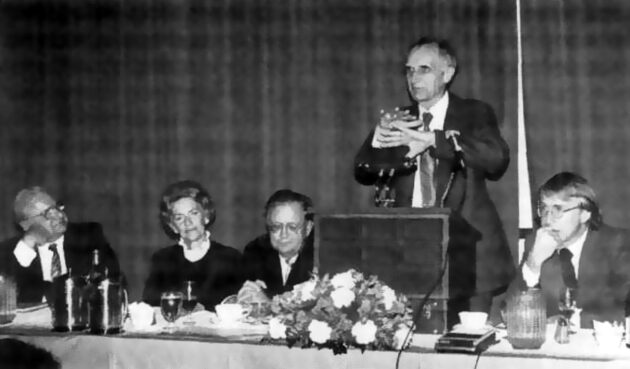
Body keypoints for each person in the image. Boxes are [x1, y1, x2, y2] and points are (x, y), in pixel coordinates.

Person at [354, 36, 514, 312]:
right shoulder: (398, 120)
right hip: (410, 254)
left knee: (465, 345)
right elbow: (363, 172)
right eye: (409, 70)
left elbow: (496, 159)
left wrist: (433, 140)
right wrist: (376, 142)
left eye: (424, 69)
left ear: (447, 73)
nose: (414, 77)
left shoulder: (474, 113)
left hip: (469, 255)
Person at [509, 172, 630, 328]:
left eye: (558, 209)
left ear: (585, 214)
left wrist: (564, 324)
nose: (548, 219)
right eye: (544, 209)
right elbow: (508, 311)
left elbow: (622, 310)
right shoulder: (536, 244)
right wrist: (533, 264)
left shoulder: (618, 244)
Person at [0, 186, 121, 304]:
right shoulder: (9, 251)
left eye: (57, 207)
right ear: (26, 225)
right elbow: (10, 298)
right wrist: (29, 242)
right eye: (47, 214)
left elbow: (112, 279)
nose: (58, 216)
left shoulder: (88, 235)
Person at [142, 180, 242, 311]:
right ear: (173, 227)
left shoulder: (230, 258)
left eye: (193, 213)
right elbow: (150, 306)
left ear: (206, 216)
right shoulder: (162, 260)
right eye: (179, 218)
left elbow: (238, 305)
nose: (187, 222)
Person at [239, 189, 315, 299]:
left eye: (292, 227)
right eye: (276, 227)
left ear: (308, 228)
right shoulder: (255, 252)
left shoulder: (321, 256)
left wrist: (267, 304)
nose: (283, 234)